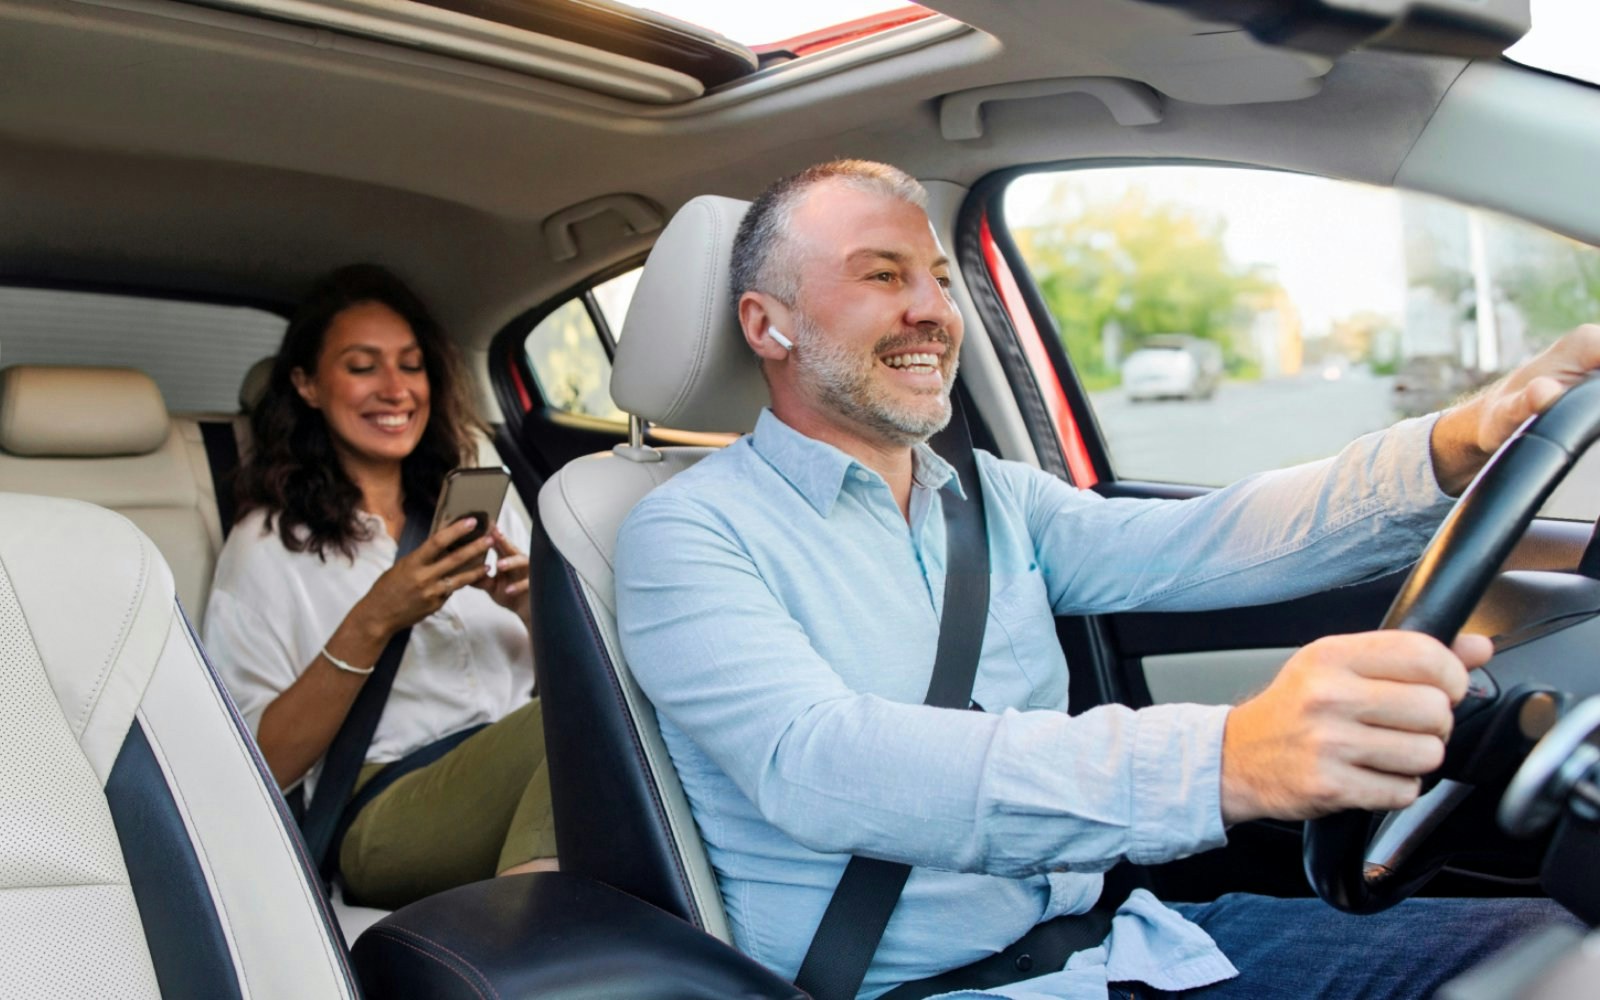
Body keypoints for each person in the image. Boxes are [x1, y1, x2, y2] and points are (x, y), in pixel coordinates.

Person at [613, 161, 1593, 998]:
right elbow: (822, 764)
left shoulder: (987, 497)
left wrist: (1455, 442)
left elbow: (1210, 539)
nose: (932, 311)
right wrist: (1227, 757)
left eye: (939, 279)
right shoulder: (686, 534)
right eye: (882, 275)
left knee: (1552, 954)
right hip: (932, 989)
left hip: (1129, 947)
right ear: (766, 324)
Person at [205, 264, 555, 910]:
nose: (396, 390)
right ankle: (523, 957)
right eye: (363, 367)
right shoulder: (267, 546)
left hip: (514, 764)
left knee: (603, 711)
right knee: (577, 724)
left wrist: (534, 606)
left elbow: (549, 672)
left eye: (411, 365)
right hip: (381, 806)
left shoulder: (476, 492)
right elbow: (254, 763)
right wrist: (376, 619)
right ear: (307, 385)